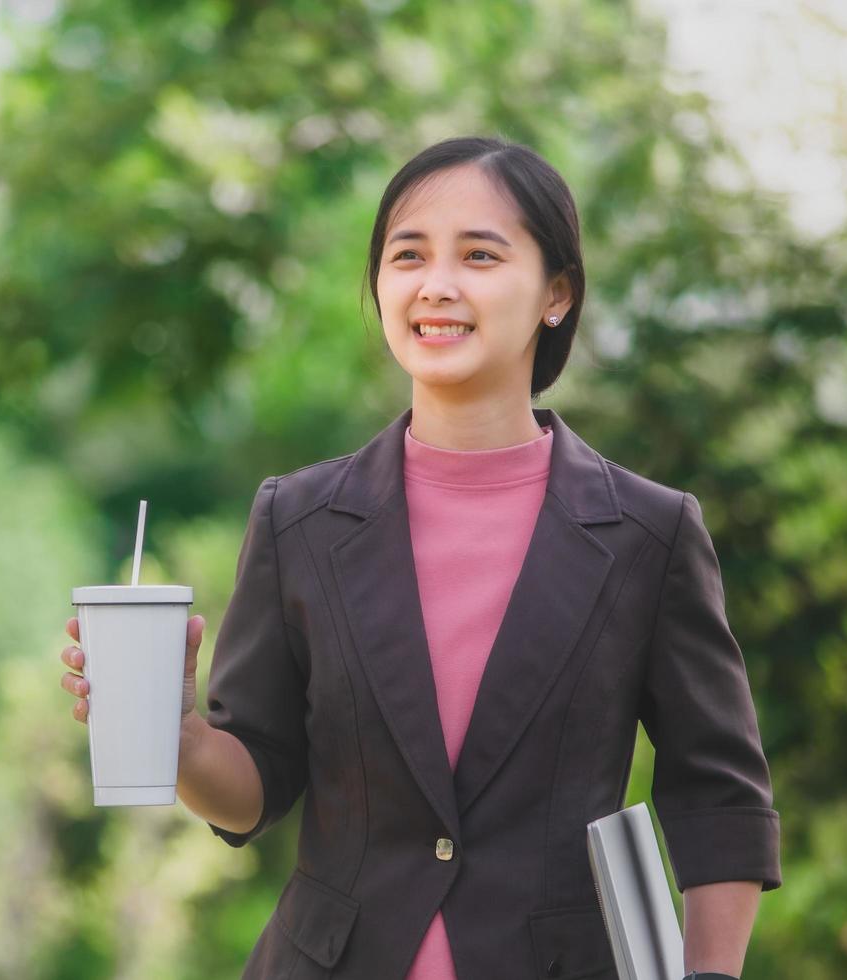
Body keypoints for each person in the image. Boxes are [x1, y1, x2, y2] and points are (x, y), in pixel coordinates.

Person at [59, 135, 780, 980]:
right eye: (408, 255)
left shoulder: (648, 536)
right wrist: (176, 740)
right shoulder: (298, 520)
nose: (437, 284)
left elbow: (719, 796)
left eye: (479, 254)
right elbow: (255, 788)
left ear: (556, 293)